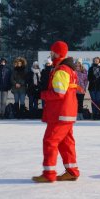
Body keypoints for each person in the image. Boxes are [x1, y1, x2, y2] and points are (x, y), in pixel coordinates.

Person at [32, 41, 81, 183]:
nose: (50, 54)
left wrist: (41, 94)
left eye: (52, 51)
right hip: (67, 112)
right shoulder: (67, 69)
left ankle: (49, 174)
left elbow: (59, 93)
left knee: (50, 141)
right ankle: (72, 171)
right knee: (66, 143)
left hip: (60, 113)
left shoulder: (61, 70)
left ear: (57, 53)